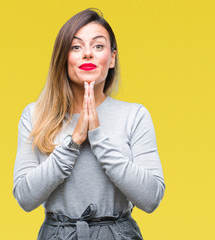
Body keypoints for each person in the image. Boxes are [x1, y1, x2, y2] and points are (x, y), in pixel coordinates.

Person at [12, 8, 165, 240]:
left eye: (98, 46)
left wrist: (98, 138)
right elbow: (25, 197)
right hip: (58, 234)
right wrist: (73, 143)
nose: (87, 54)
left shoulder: (135, 115)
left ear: (112, 58)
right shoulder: (35, 115)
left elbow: (151, 198)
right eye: (76, 47)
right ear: (64, 57)